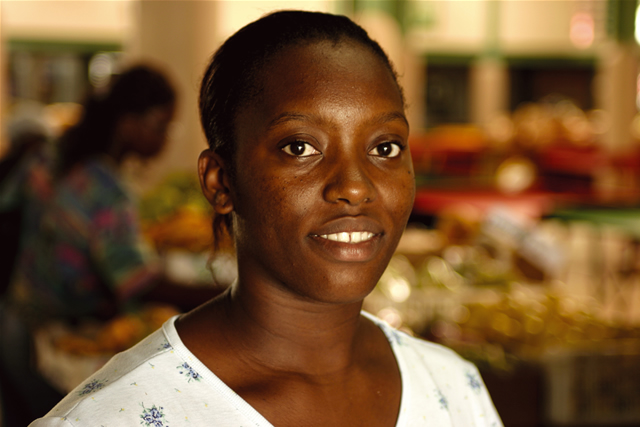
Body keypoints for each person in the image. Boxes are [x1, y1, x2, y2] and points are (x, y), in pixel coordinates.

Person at [30, 11, 503, 426]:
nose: (356, 186)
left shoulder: (455, 391)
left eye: (385, 147)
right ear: (220, 182)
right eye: (299, 147)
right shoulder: (115, 417)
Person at [1, 65, 219, 425]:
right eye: (162, 125)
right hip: (46, 339)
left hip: (12, 316)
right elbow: (138, 282)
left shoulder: (51, 153)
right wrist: (223, 297)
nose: (165, 138)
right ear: (129, 123)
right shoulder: (106, 190)